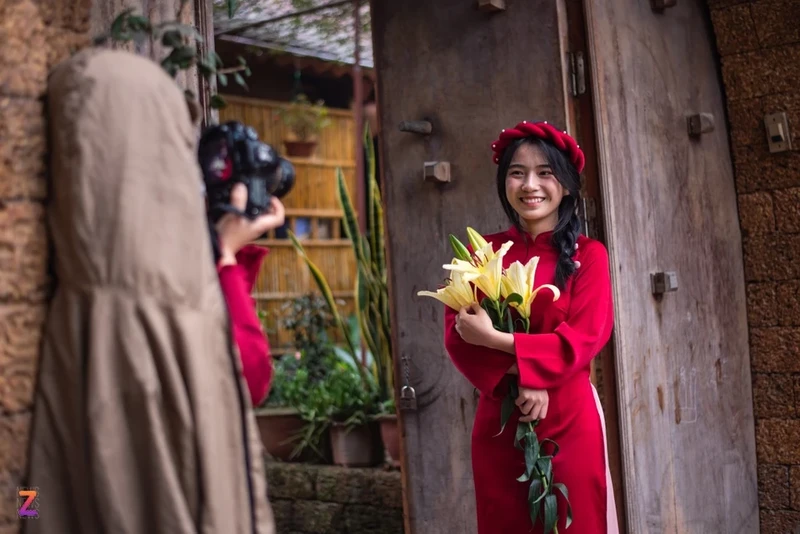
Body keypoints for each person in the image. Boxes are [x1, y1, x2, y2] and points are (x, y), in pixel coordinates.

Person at [24, 47, 278, 534]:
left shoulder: (66, 300)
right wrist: (226, 259)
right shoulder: (181, 296)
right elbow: (250, 376)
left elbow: (42, 474)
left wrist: (24, 512)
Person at [443, 120, 619, 533]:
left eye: (545, 172)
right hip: (501, 422)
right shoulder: (479, 254)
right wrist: (525, 373)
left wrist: (498, 340)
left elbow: (585, 337)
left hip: (570, 418)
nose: (530, 184)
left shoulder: (588, 256)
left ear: (568, 186)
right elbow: (459, 336)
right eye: (517, 172)